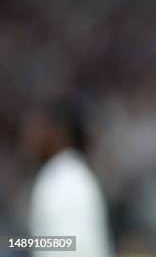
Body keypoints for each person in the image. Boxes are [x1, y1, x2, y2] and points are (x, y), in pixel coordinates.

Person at [21, 97, 114, 257]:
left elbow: (71, 246)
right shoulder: (69, 173)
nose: (30, 136)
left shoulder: (65, 177)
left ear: (59, 132)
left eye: (38, 127)